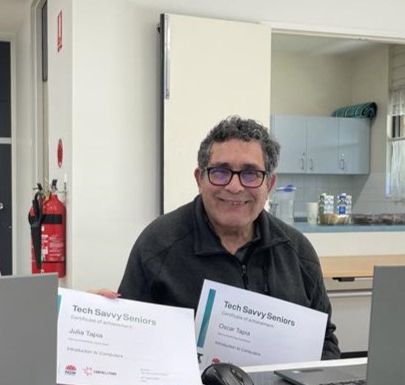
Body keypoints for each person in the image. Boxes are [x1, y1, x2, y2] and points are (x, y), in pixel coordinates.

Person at [117, 115, 340, 359]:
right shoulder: (158, 244)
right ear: (199, 179)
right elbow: (128, 341)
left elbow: (324, 340)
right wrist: (102, 318)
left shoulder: (298, 251)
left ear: (270, 184)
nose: (235, 187)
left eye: (251, 173)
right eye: (221, 172)